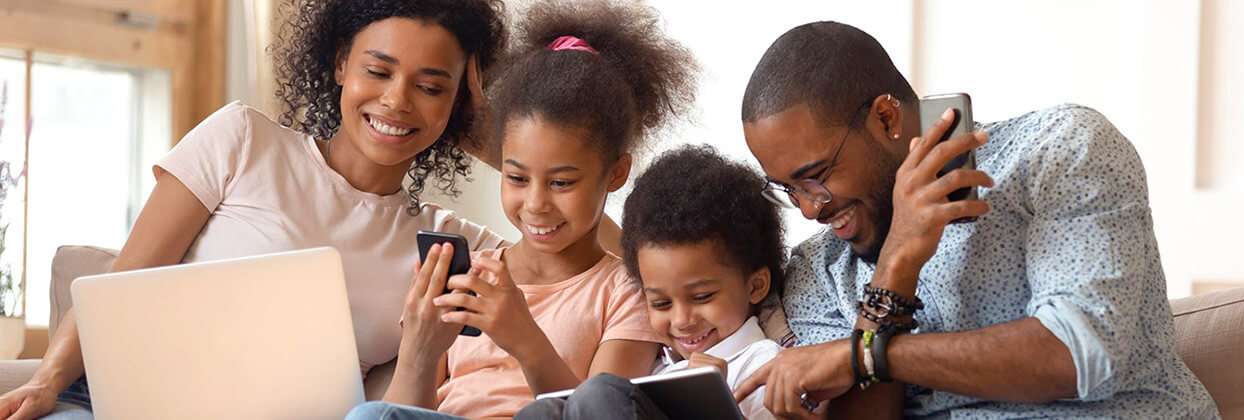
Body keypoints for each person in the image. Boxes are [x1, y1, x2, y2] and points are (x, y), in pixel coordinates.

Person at [0, 1, 519, 418]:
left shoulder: (454, 244)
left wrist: (481, 127)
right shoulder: (243, 139)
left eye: (430, 87)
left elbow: (592, 244)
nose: (397, 101)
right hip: (117, 405)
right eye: (378, 71)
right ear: (340, 63)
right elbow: (122, 280)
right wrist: (47, 381)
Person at [731, 22, 1219, 419]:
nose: (810, 208)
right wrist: (895, 270)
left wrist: (866, 356)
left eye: (816, 176)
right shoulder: (820, 266)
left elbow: (1077, 355)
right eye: (788, 189)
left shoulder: (1058, 151)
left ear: (886, 119)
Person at [344, 1, 698, 419]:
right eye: (516, 178)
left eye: (561, 183)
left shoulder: (626, 292)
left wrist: (524, 338)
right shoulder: (468, 276)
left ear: (616, 173)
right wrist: (422, 347)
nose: (535, 204)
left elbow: (604, 409)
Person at [516, 145, 786, 420]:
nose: (682, 320)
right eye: (661, 303)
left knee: (598, 394)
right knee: (543, 412)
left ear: (755, 286)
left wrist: (710, 405)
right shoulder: (658, 367)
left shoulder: (764, 366)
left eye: (702, 297)